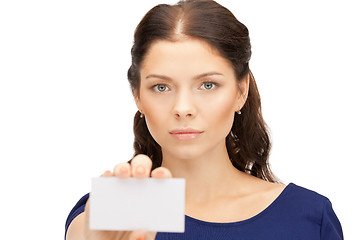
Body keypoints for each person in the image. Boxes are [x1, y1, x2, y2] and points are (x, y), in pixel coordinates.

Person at [65, 0, 343, 239]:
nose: (183, 108)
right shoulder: (117, 210)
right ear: (137, 95)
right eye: (161, 87)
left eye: (208, 85)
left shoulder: (307, 216)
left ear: (241, 91)